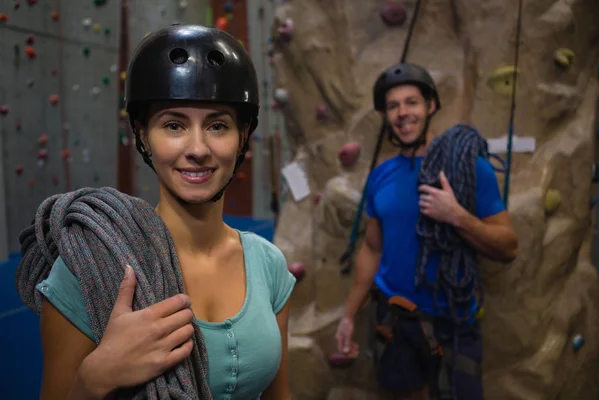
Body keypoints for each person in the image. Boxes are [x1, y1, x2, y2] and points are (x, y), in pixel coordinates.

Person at [34, 24, 296, 399]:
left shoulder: (269, 264)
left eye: (218, 125)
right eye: (174, 125)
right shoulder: (89, 265)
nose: (198, 148)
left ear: (243, 136)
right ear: (143, 136)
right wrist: (94, 378)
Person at [335, 63, 518, 400]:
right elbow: (372, 250)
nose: (403, 113)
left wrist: (457, 216)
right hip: (395, 320)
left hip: (453, 324)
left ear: (431, 106)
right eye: (393, 106)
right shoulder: (381, 176)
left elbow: (508, 247)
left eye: (412, 103)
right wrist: (348, 315)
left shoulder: (469, 167)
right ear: (385, 115)